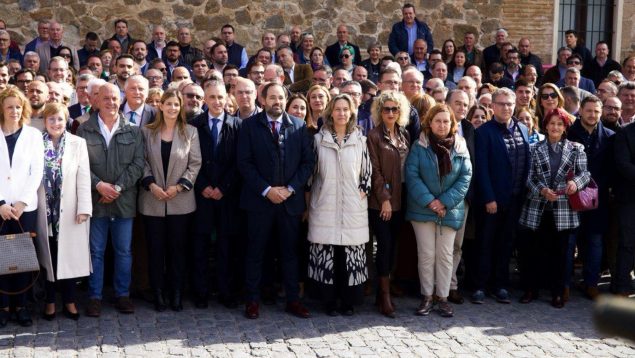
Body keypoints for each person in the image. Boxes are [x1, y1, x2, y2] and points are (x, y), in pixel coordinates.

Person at [237, 82, 315, 319]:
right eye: (272, 98)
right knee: (255, 252)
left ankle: (293, 300)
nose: (277, 102)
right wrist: (267, 189)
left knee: (290, 253)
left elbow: (307, 163)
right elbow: (244, 162)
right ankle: (252, 300)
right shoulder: (249, 126)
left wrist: (290, 189)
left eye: (281, 98)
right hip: (259, 202)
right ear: (263, 100)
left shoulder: (299, 127)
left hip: (289, 203)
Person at [76, 83, 144, 317]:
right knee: (96, 251)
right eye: (106, 98)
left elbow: (138, 164)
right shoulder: (84, 130)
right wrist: (99, 185)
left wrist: (116, 187)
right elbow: (80, 164)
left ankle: (122, 295)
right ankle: (95, 297)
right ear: (96, 101)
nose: (111, 102)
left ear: (121, 100)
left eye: (115, 98)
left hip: (123, 201)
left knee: (123, 251)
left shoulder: (133, 130)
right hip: (95, 201)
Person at [517, 108, 590, 308]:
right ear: (546, 126)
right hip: (538, 207)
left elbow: (585, 174)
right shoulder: (534, 149)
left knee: (562, 255)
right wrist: (541, 190)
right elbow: (528, 178)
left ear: (565, 127)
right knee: (533, 252)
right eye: (552, 123)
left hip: (564, 209)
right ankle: (530, 289)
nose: (555, 127)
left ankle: (558, 292)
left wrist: (576, 183)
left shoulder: (577, 149)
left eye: (560, 124)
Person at [307, 93, 371, 316]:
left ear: (351, 112)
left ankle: (348, 301)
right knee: (327, 253)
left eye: (345, 109)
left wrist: (362, 191)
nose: (342, 113)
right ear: (330, 112)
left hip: (353, 206)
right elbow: (311, 174)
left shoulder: (361, 140)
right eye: (337, 109)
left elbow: (366, 172)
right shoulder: (318, 140)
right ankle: (328, 301)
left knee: (349, 254)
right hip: (325, 203)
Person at [405, 104, 472, 317]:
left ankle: (442, 297)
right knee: (426, 255)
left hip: (449, 210)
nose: (442, 125)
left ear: (452, 123)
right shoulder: (419, 145)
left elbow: (465, 177)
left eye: (446, 121)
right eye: (438, 121)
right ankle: (426, 296)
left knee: (445, 255)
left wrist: (443, 202)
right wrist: (431, 202)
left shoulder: (460, 146)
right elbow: (412, 175)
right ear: (429, 123)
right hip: (422, 209)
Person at [139, 89, 201, 312]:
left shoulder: (190, 132)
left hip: (180, 201)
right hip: (152, 199)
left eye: (177, 104)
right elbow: (142, 161)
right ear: (161, 106)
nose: (173, 108)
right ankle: (158, 292)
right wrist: (152, 185)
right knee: (155, 251)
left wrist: (179, 186)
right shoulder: (147, 132)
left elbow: (195, 164)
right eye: (169, 104)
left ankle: (176, 292)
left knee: (177, 250)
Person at [33, 103, 91, 321]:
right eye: (51, 119)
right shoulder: (35, 142)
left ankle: (69, 300)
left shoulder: (78, 143)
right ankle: (49, 301)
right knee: (49, 257)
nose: (55, 123)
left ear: (66, 120)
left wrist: (84, 208)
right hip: (44, 211)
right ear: (44, 121)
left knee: (68, 257)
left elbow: (84, 177)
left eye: (59, 119)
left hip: (69, 210)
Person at [472, 88, 530, 304]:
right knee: (486, 243)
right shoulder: (484, 132)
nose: (506, 107)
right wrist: (488, 198)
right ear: (493, 106)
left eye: (509, 104)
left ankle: (500, 285)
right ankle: (480, 285)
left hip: (515, 198)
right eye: (501, 103)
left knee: (506, 243)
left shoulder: (523, 129)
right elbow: (482, 168)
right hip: (492, 201)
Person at [190, 80, 243, 309]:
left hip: (227, 196)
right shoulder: (194, 125)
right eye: (212, 97)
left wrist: (224, 187)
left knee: (226, 246)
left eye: (220, 97)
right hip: (201, 195)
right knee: (199, 245)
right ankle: (200, 292)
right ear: (205, 100)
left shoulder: (238, 126)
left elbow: (240, 162)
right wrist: (202, 185)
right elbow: (189, 160)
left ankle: (225, 291)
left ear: (227, 98)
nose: (217, 102)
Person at [0, 88, 44, 328]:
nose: (14, 111)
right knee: (1, 258)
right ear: (2, 109)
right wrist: (1, 204)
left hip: (24, 208)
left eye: (18, 106)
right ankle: (4, 306)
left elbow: (36, 172)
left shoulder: (33, 136)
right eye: (9, 106)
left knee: (22, 258)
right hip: (0, 208)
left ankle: (23, 306)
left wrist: (21, 202)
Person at [367, 91, 411, 317]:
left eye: (395, 109)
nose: (391, 113)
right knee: (383, 246)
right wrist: (384, 199)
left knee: (394, 245)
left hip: (402, 196)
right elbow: (374, 171)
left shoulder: (404, 135)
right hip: (381, 200)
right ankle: (383, 296)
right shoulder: (373, 136)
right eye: (387, 109)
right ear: (379, 111)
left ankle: (384, 289)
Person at [567, 96, 615, 300]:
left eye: (596, 111)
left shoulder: (610, 136)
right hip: (571, 197)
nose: (593, 114)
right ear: (581, 111)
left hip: (598, 198)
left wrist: (596, 187)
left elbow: (612, 168)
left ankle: (591, 283)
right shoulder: (568, 133)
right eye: (589, 110)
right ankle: (565, 283)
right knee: (569, 242)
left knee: (595, 242)